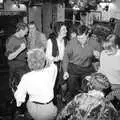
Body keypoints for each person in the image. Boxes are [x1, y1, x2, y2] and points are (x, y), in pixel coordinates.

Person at [14, 48, 58, 120]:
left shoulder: (26, 77)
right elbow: (51, 63)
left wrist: (19, 103)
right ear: (43, 61)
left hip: (32, 107)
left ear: (29, 63)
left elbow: (19, 97)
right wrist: (44, 58)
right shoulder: (51, 71)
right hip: (47, 109)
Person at [63, 25, 101, 102]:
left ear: (87, 35)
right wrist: (65, 71)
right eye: (78, 38)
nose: (80, 40)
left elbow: (103, 56)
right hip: (74, 69)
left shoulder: (94, 43)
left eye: (82, 38)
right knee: (72, 90)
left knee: (87, 91)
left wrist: (99, 55)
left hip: (87, 69)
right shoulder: (72, 43)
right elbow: (65, 57)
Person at [46, 21, 68, 100]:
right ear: (58, 31)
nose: (66, 31)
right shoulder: (50, 41)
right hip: (53, 66)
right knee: (53, 85)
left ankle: (63, 96)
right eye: (64, 29)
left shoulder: (66, 41)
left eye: (66, 29)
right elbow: (48, 57)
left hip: (63, 66)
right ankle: (53, 99)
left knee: (64, 86)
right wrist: (58, 58)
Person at [5, 22, 29, 87]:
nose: (27, 33)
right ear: (21, 30)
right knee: (20, 82)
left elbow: (24, 52)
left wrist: (30, 53)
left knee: (30, 76)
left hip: (23, 63)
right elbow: (9, 57)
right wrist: (20, 49)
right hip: (15, 64)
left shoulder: (23, 38)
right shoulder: (11, 40)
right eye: (26, 32)